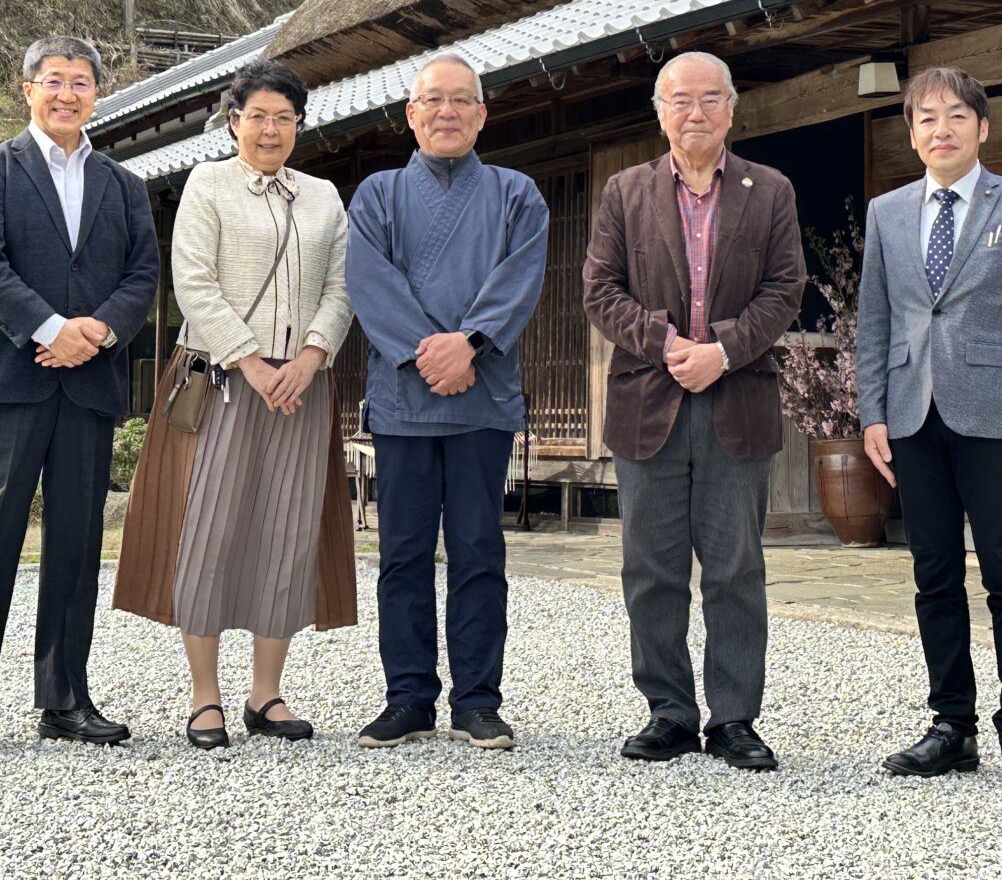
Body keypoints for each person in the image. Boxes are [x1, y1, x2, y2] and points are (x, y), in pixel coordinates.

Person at [112, 59, 358, 747]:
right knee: (210, 531)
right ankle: (205, 697)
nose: (271, 129)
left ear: (300, 125)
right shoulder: (208, 183)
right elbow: (192, 282)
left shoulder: (323, 197)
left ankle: (267, 695)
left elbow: (341, 288)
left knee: (286, 532)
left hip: (301, 387)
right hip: (223, 379)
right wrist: (251, 361)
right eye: (258, 116)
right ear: (234, 122)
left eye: (285, 117)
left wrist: (311, 356)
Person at [583, 50, 806, 772]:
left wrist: (726, 349)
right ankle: (670, 711)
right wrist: (667, 342)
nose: (696, 113)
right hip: (649, 400)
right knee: (651, 565)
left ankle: (735, 718)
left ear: (732, 109)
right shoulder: (626, 191)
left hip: (737, 398)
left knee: (736, 566)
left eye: (711, 99)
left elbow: (785, 289)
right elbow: (600, 291)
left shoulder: (768, 190)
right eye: (681, 100)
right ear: (660, 110)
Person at [0, 36, 159, 759]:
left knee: (75, 545)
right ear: (26, 89)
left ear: (98, 93)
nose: (68, 94)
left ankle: (64, 699)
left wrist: (96, 332)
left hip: (90, 378)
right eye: (55, 81)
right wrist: (49, 329)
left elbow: (142, 276)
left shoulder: (123, 185)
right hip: (10, 376)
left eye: (82, 82)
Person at [855, 66, 1002, 793]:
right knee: (933, 573)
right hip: (912, 414)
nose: (939, 130)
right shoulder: (887, 212)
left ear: (982, 126)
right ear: (911, 134)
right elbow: (874, 322)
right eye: (924, 119)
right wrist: (872, 412)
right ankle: (952, 726)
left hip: (996, 416)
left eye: (953, 117)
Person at [344, 53, 549, 751]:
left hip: (481, 395)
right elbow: (369, 284)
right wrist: (432, 351)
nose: (447, 112)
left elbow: (519, 280)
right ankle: (407, 697)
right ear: (411, 112)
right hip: (404, 399)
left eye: (462, 100)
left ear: (482, 114)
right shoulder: (375, 195)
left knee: (477, 549)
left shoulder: (518, 194)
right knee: (401, 552)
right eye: (433, 100)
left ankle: (478, 699)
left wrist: (471, 343)